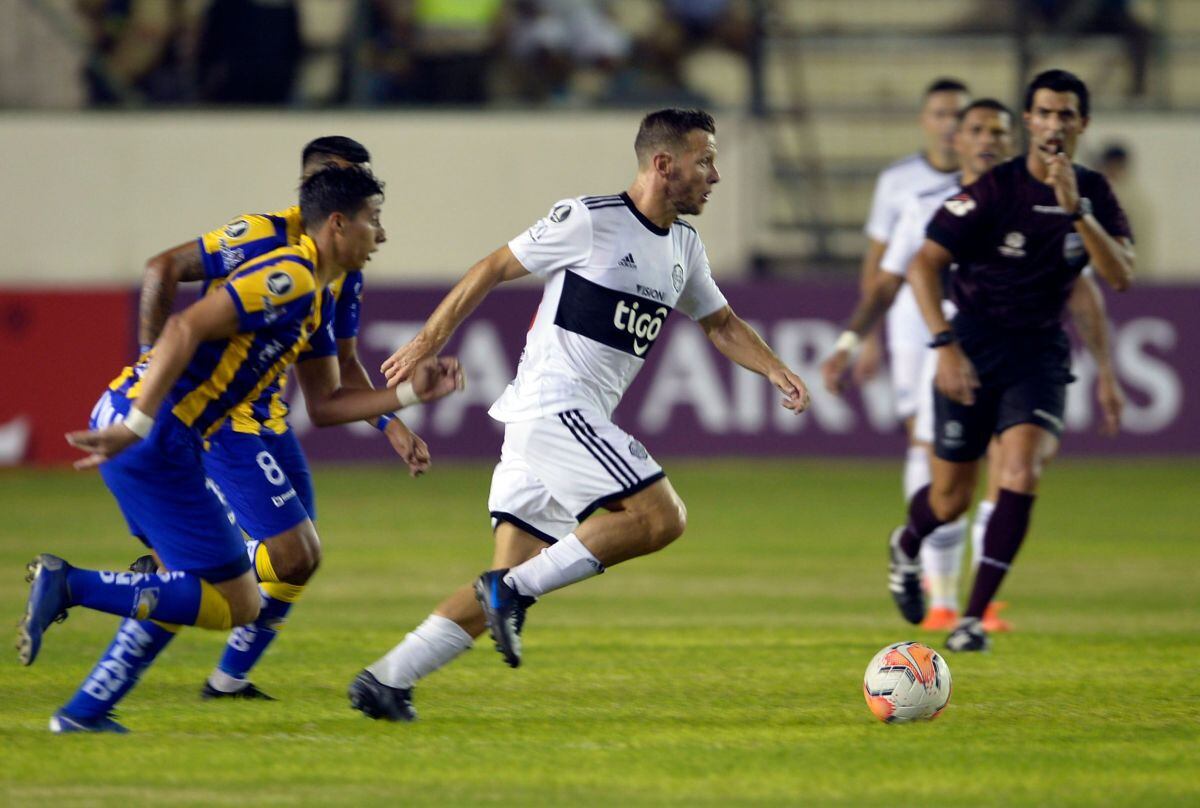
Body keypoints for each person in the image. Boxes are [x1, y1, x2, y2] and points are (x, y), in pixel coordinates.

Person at [347, 108, 811, 721]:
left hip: (546, 428)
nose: (716, 175)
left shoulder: (684, 246)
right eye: (705, 161)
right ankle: (508, 592)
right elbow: (494, 266)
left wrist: (773, 367)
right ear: (663, 164)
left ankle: (386, 680)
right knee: (660, 517)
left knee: (508, 576)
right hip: (553, 408)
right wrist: (428, 339)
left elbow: (720, 323)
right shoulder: (591, 220)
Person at [19, 166, 463, 733]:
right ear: (337, 223)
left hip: (158, 434)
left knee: (178, 586)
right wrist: (139, 422)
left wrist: (408, 395)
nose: (381, 235)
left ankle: (84, 713)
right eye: (372, 220)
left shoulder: (315, 299)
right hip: (155, 436)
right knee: (240, 603)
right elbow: (184, 329)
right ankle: (70, 585)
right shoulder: (288, 276)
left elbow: (326, 404)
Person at [135, 136, 430, 701]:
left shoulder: (343, 269)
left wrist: (390, 424)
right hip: (223, 418)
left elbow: (339, 367)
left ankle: (227, 682)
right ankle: (173, 571)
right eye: (350, 185)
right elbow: (163, 267)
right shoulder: (259, 236)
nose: (370, 213)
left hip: (271, 419)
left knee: (299, 562)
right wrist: (148, 374)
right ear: (319, 190)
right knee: (291, 552)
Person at [823, 98, 1124, 631]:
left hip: (1024, 350)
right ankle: (934, 584)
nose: (988, 141)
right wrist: (855, 340)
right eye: (977, 130)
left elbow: (1083, 286)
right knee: (946, 485)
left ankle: (975, 610)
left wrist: (1105, 367)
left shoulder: (1040, 199)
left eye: (998, 132)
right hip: (940, 344)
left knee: (1014, 471)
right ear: (957, 140)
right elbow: (894, 279)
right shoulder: (927, 203)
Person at [827, 78, 972, 629]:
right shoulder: (901, 184)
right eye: (942, 113)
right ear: (925, 120)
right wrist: (866, 337)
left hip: (977, 321)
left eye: (961, 115)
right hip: (915, 321)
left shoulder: (990, 182)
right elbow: (881, 265)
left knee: (976, 450)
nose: (952, 124)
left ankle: (955, 583)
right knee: (927, 439)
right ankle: (936, 580)